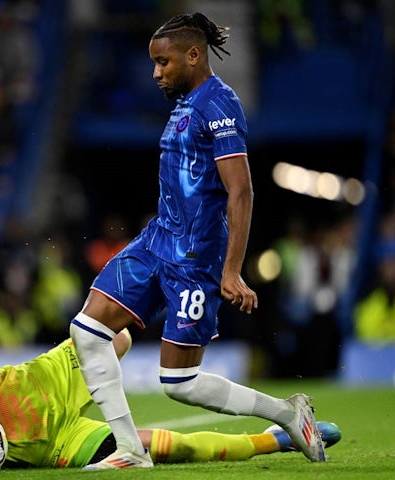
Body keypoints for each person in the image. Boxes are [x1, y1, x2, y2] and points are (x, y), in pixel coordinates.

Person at [68, 12, 327, 470]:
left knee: (178, 381)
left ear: (193, 55)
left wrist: (231, 270)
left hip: (195, 259)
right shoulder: (185, 104)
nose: (155, 72)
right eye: (153, 63)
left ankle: (287, 413)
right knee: (86, 332)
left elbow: (241, 190)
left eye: (163, 62)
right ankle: (129, 450)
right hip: (156, 242)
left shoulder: (219, 104)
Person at [0, 279, 340, 475]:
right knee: (160, 447)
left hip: (39, 378)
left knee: (112, 333)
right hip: (51, 442)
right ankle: (278, 438)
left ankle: (186, 302)